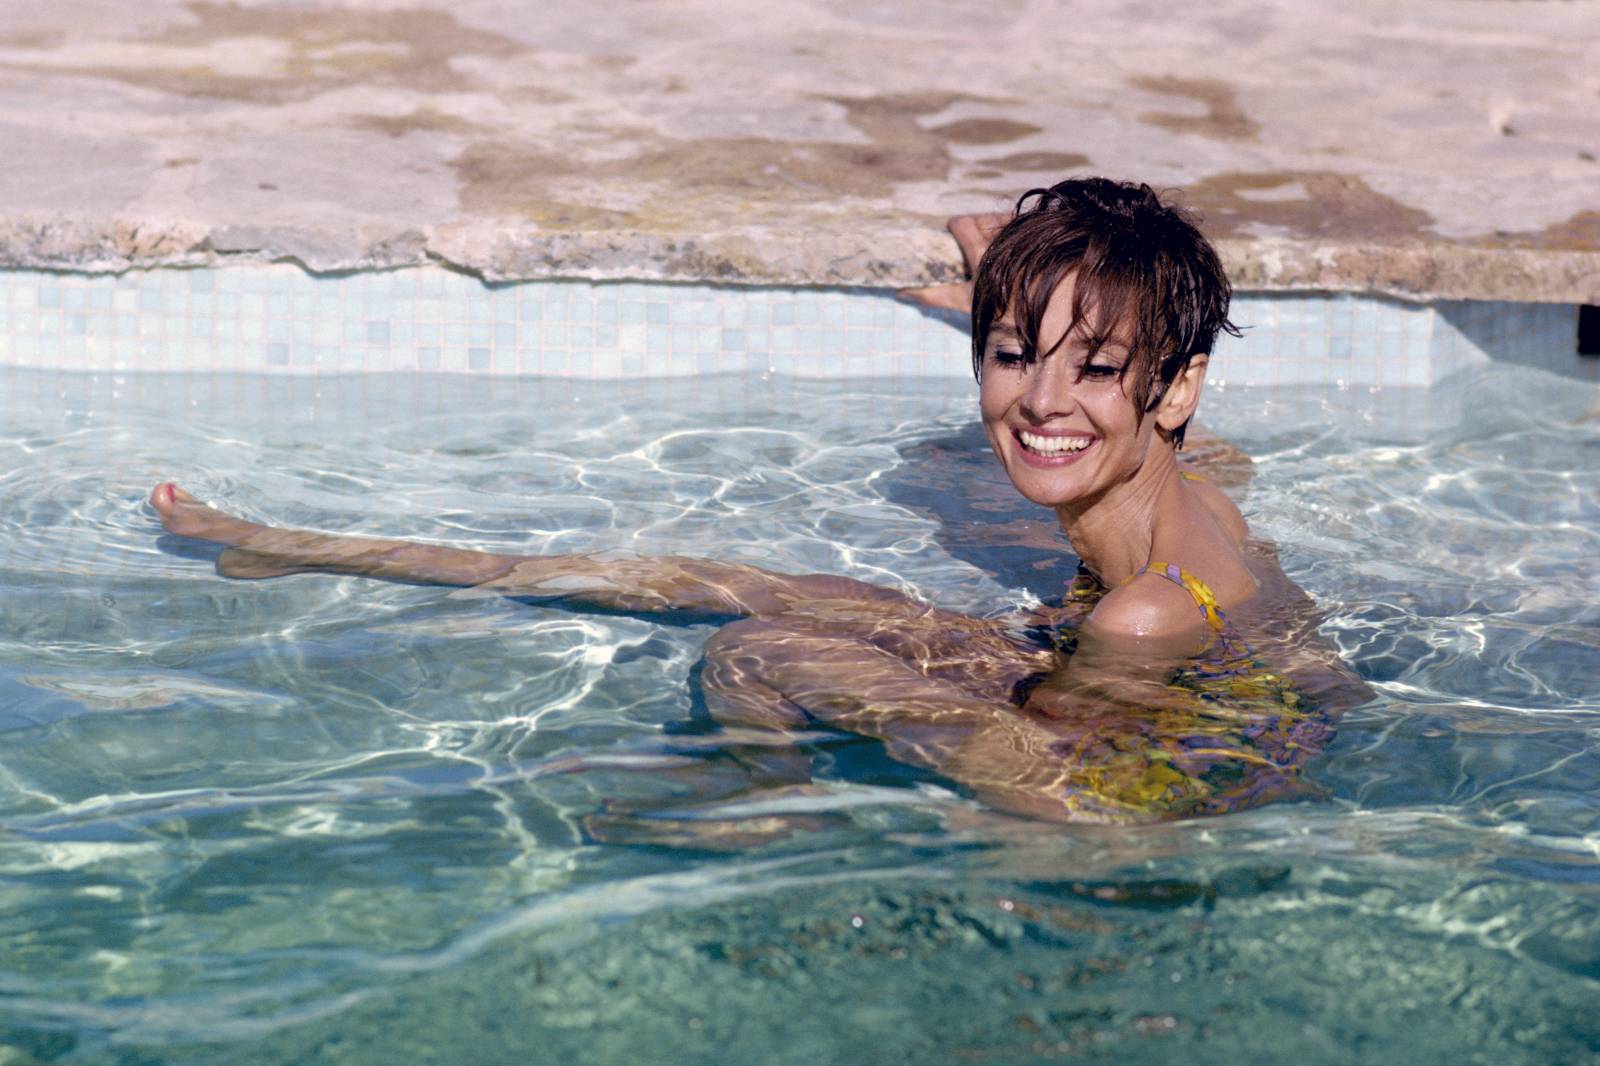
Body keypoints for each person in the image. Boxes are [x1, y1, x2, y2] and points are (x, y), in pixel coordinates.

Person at [149, 177, 1367, 824]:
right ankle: (299, 547)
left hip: (1128, 782)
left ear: (1173, 384)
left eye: (1094, 366)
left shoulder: (1141, 610)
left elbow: (1065, 790)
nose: (1040, 402)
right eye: (1010, 350)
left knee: (761, 641)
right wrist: (1036, 303)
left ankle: (765, 807)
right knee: (712, 575)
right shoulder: (1181, 483)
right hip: (1165, 696)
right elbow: (1188, 453)